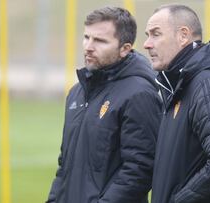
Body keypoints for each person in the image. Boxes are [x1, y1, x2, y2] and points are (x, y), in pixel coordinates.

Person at [46, 6, 162, 203]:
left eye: (99, 40)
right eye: (87, 37)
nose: (88, 46)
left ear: (125, 49)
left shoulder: (140, 93)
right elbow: (65, 164)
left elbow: (140, 169)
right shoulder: (77, 92)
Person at [144, 4, 210, 203]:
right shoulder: (177, 85)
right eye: (147, 35)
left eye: (155, 34)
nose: (147, 44)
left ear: (183, 35)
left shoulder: (207, 85)